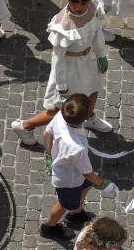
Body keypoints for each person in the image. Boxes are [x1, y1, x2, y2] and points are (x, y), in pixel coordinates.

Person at [11, 0, 111, 146]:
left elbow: (97, 33)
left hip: (89, 61)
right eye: (74, 2)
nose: (79, 7)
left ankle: (89, 117)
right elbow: (58, 60)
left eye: (83, 2)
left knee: (93, 89)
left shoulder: (92, 9)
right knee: (65, 108)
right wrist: (62, 87)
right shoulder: (62, 25)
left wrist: (101, 55)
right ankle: (25, 126)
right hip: (70, 69)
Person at [40, 94, 116, 241]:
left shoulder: (60, 117)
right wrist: (101, 183)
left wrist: (50, 155)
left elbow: (45, 134)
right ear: (86, 117)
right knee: (63, 204)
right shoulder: (77, 148)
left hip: (73, 174)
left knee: (86, 186)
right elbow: (87, 173)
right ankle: (49, 228)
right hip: (69, 180)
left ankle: (76, 213)